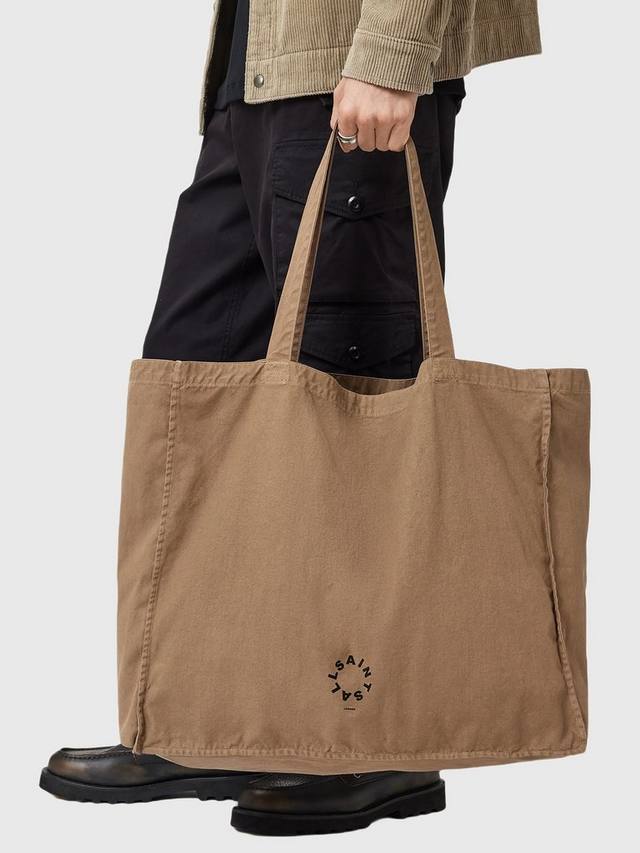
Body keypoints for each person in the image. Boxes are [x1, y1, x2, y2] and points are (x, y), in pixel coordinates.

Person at [40, 0, 541, 836]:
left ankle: (376, 739)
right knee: (197, 385)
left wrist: (390, 51)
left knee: (352, 406)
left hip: (347, 61)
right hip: (260, 65)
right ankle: (208, 715)